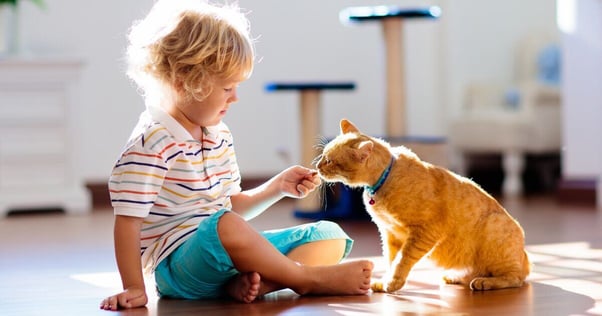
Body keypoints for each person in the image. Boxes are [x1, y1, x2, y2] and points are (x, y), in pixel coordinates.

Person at [100, 0, 373, 310]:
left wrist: (277, 188)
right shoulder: (151, 142)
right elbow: (127, 222)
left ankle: (253, 284)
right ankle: (306, 280)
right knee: (226, 225)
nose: (236, 97)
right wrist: (135, 287)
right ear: (185, 83)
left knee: (328, 234)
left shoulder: (218, 135)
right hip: (179, 268)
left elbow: (232, 208)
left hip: (226, 254)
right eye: (227, 87)